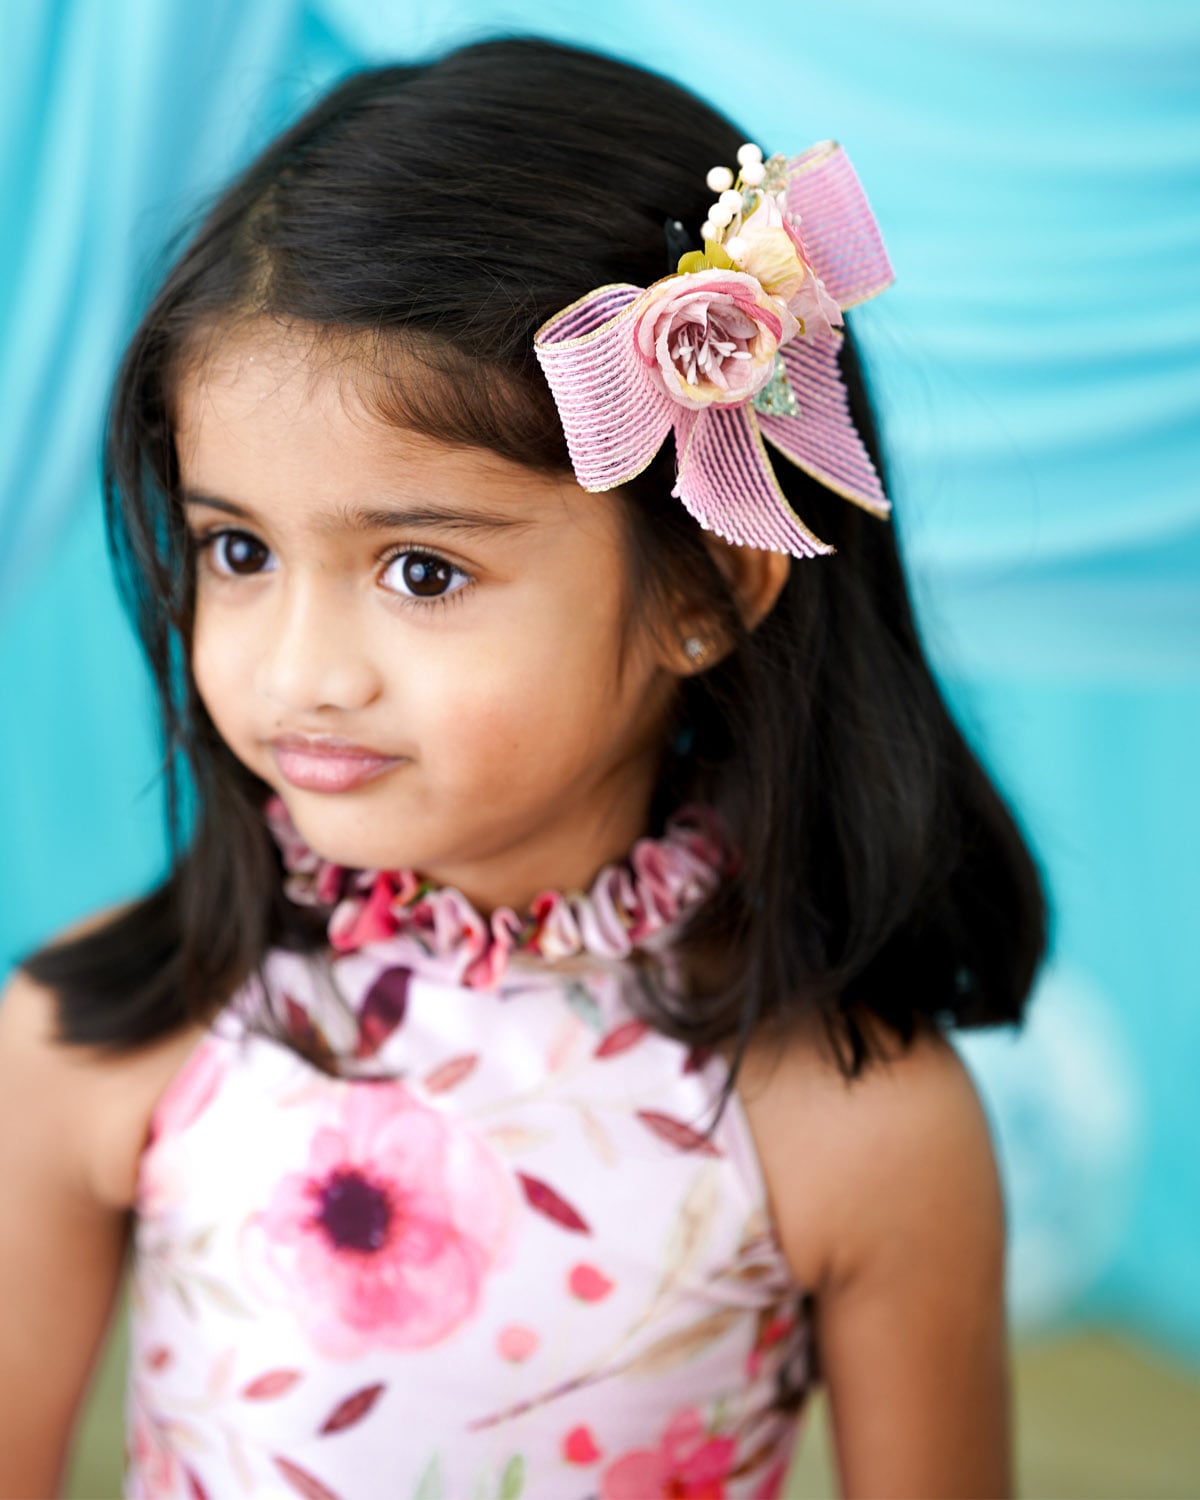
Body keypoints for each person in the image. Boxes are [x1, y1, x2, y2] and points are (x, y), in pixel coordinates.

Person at [0, 35, 1046, 1500]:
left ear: (711, 585)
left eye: (422, 571)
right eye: (239, 550)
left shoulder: (860, 1126)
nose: (302, 671)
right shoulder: (96, 1041)